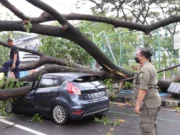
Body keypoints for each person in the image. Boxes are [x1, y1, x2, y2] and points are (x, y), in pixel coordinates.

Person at [133, 48, 161, 135]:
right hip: (152, 102)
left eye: (137, 55)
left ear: (142, 57)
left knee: (146, 128)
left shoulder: (145, 69)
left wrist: (137, 105)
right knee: (151, 126)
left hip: (147, 104)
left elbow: (143, 89)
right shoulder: (149, 66)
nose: (136, 57)